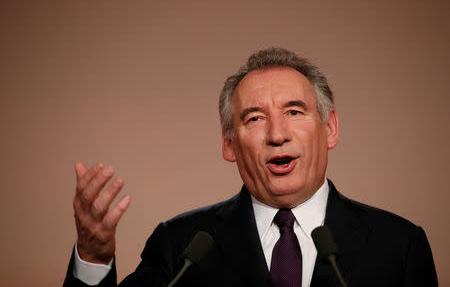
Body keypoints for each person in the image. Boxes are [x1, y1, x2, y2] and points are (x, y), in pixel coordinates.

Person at [63, 48, 438, 287]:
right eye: (255, 119)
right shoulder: (181, 245)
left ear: (330, 129)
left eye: (294, 112)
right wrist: (93, 257)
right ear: (229, 144)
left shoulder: (400, 246)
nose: (277, 134)